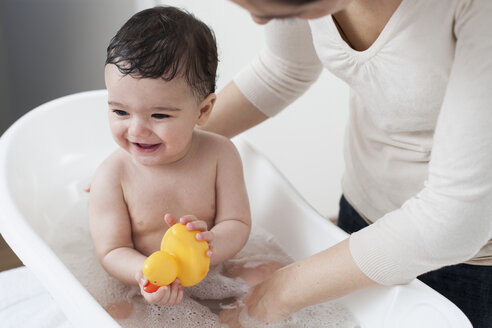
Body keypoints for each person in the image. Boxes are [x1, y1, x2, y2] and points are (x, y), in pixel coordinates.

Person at [201, 0, 492, 327]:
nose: (257, 19)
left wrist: (278, 292)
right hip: (361, 220)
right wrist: (166, 144)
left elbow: (456, 221)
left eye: (272, 5)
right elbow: (285, 66)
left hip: (473, 264)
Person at [88, 6, 254, 309]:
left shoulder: (221, 155)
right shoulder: (113, 175)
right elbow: (112, 250)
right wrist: (145, 275)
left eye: (159, 114)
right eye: (120, 111)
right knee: (112, 309)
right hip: (139, 284)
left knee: (263, 277)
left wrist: (210, 245)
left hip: (212, 273)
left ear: (203, 111)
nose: (137, 129)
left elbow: (238, 222)